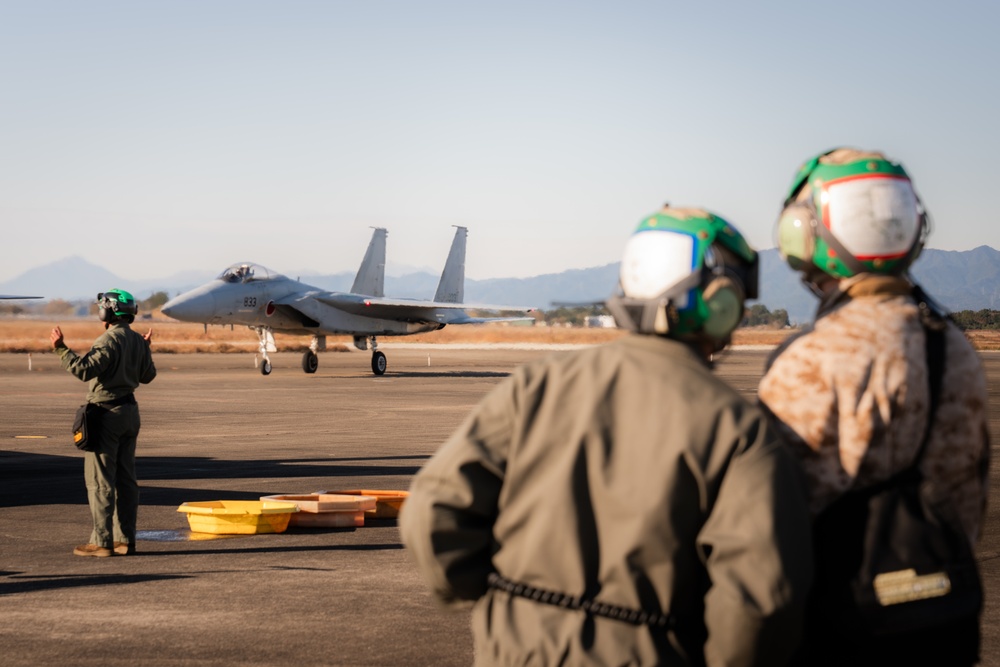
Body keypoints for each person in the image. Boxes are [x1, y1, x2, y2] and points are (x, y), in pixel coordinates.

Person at [400, 207, 813, 666]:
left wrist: (506, 606)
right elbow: (760, 604)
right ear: (722, 306)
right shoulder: (737, 431)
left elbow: (432, 511)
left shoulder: (534, 387)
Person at [757, 147, 990, 666]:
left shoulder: (807, 360)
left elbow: (772, 527)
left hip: (838, 629)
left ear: (804, 233)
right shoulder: (955, 348)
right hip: (940, 623)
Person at [50, 289, 156, 557]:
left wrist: (61, 349)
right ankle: (126, 540)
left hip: (107, 415)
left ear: (107, 312)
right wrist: (144, 350)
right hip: (130, 413)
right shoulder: (137, 341)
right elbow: (148, 376)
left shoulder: (108, 340)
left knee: (100, 482)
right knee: (126, 479)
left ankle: (102, 542)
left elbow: (84, 370)